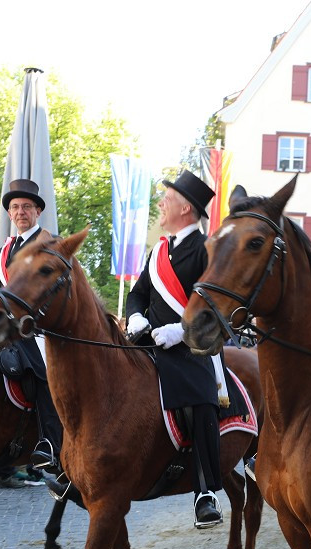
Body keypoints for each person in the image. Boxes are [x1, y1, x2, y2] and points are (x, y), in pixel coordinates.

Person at [124, 170, 224, 529]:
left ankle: (205, 491)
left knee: (200, 398)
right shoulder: (158, 250)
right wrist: (135, 316)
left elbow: (214, 307)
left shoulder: (207, 249)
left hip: (190, 347)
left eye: (166, 199)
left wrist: (181, 331)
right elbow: (138, 294)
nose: (160, 205)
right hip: (148, 341)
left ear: (185, 207)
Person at [0, 179, 65, 479]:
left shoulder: (49, 244)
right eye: (15, 207)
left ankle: (49, 442)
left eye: (26, 207)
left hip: (38, 328)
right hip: (7, 328)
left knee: (39, 367)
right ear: (9, 214)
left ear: (37, 212)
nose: (20, 212)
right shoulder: (4, 251)